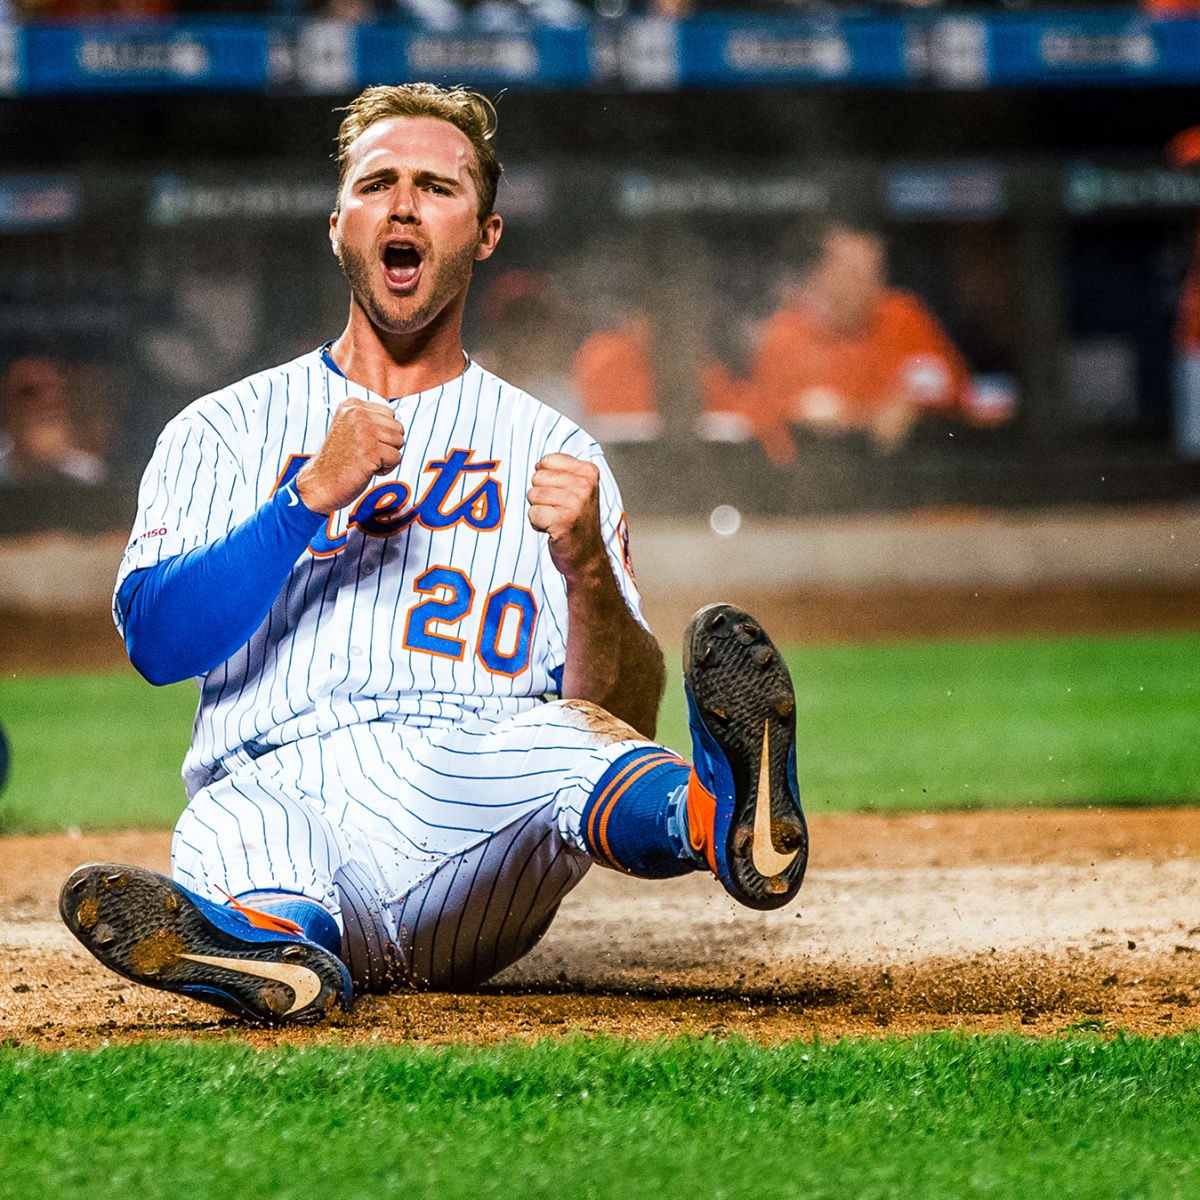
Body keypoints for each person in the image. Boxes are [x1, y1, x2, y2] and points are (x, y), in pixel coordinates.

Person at [59, 83, 808, 1025]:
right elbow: (160, 644)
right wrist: (300, 503)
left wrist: (586, 578)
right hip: (276, 778)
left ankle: (722, 819)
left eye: (435, 187)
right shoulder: (222, 430)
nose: (403, 204)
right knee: (236, 825)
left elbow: (615, 715)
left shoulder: (553, 449)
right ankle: (276, 953)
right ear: (339, 225)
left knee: (558, 739)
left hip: (475, 795)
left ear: (485, 233)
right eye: (377, 183)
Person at [750, 219, 974, 458]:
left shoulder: (905, 316)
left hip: (906, 471)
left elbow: (955, 389)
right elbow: (763, 414)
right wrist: (807, 412)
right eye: (851, 272)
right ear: (821, 275)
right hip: (818, 473)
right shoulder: (787, 333)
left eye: (874, 271)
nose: (865, 284)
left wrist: (911, 403)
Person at [0, 357, 107, 487]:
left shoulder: (90, 476)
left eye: (54, 390)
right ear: (9, 405)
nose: (47, 400)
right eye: (30, 392)